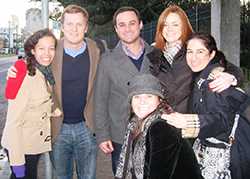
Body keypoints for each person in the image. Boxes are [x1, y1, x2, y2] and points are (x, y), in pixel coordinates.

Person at [7, 5, 100, 179]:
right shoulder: (51, 51)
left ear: (86, 27)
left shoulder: (96, 51)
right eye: (69, 24)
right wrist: (15, 70)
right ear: (62, 27)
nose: (74, 29)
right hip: (57, 128)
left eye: (79, 24)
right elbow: (31, 60)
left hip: (87, 128)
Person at [165, 32, 250, 179]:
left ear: (211, 55)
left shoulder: (215, 80)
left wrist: (189, 122)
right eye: (190, 52)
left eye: (200, 51)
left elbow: (223, 120)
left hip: (223, 155)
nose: (193, 57)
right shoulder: (200, 74)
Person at [147, 4, 243, 114]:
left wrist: (230, 77)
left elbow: (230, 68)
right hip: (164, 120)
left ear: (184, 26)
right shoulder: (154, 55)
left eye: (175, 25)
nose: (169, 29)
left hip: (191, 121)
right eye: (165, 25)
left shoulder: (195, 49)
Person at [93, 6, 153, 174]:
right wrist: (103, 135)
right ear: (116, 29)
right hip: (121, 133)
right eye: (122, 24)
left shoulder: (156, 54)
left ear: (140, 25)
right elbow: (100, 100)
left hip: (152, 132)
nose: (127, 29)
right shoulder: (107, 61)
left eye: (132, 23)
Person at [115, 73, 203, 179]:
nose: (142, 102)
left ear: (159, 101)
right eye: (137, 97)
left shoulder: (161, 128)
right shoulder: (134, 125)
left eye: (149, 96)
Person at [1, 28, 58, 179]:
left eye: (51, 48)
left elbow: (36, 104)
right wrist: (18, 164)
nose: (47, 53)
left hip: (32, 142)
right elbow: (13, 123)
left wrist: (53, 111)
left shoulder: (44, 71)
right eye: (41, 48)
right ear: (33, 50)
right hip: (20, 145)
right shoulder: (24, 75)